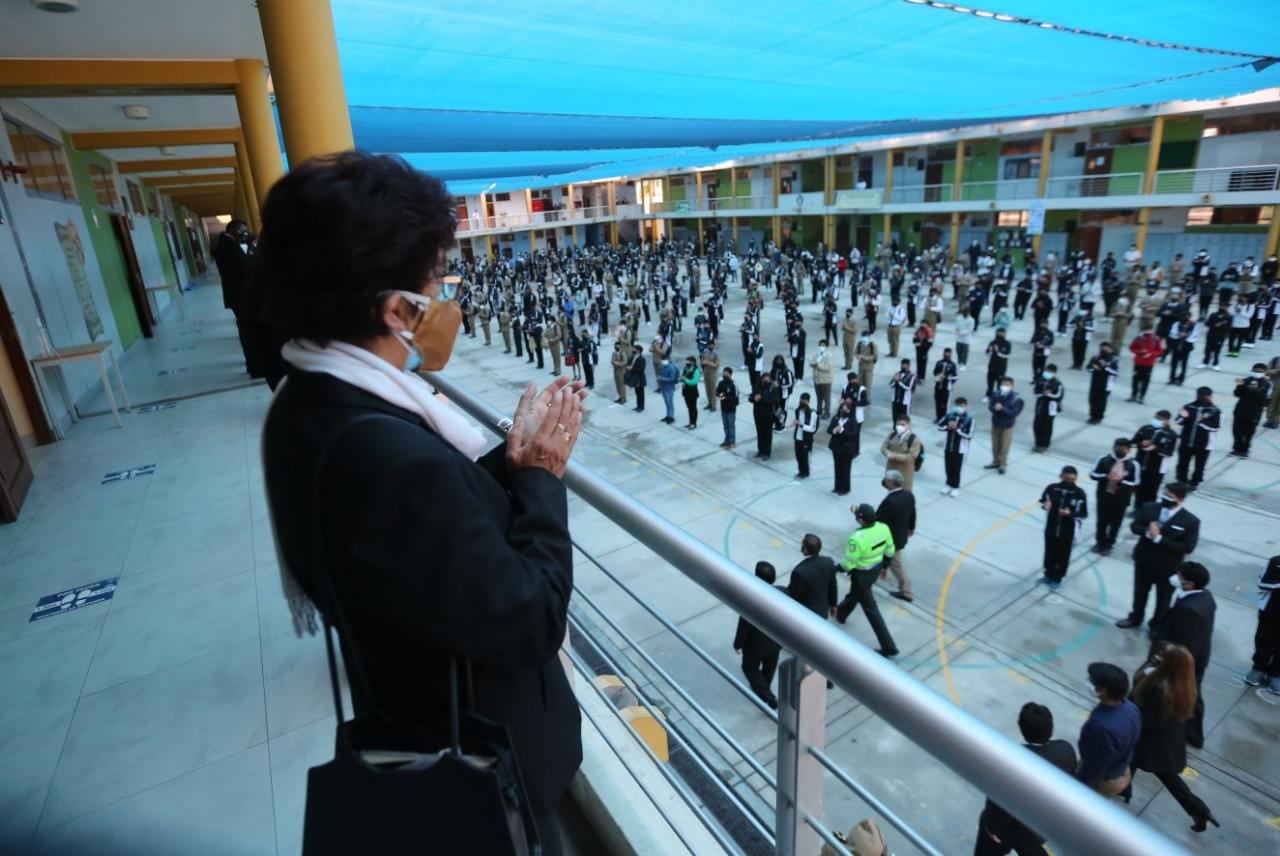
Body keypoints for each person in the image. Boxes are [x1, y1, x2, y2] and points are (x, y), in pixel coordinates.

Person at [258, 152, 582, 850]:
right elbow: (529, 617)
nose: (443, 296)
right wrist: (543, 478)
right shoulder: (383, 459)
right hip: (482, 756)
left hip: (402, 701)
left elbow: (429, 535)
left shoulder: (307, 403)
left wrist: (509, 462)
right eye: (434, 281)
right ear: (395, 308)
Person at [1123, 643, 1219, 832]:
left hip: (1152, 743)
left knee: (1164, 777)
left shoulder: (1159, 689)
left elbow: (1150, 720)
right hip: (1168, 741)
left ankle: (1198, 809)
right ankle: (1124, 789)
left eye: (1163, 657)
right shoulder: (1183, 683)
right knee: (1151, 770)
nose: (1158, 657)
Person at [973, 703, 1077, 856]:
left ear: (1022, 729)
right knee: (1030, 848)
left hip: (1012, 828)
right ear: (1051, 727)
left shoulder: (1013, 763)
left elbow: (1000, 804)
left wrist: (992, 828)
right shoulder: (1065, 750)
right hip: (1040, 827)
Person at [1117, 482, 1199, 635]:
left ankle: (1156, 625)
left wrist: (1159, 538)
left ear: (1180, 499)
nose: (1165, 498)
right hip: (1144, 560)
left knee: (1163, 598)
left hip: (1168, 566)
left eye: (1170, 496)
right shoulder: (1149, 507)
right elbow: (1135, 526)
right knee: (1140, 593)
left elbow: (1187, 547)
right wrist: (1148, 532)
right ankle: (1135, 617)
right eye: (1164, 494)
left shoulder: (1190, 521)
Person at [1158, 562, 1216, 748]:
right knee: (1193, 694)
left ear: (1190, 584)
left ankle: (1192, 735)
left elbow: (1182, 644)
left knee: (1188, 695)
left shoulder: (1188, 611)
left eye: (1180, 576)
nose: (1176, 577)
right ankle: (1192, 734)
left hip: (1187, 661)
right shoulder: (1205, 596)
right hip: (1199, 655)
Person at [834, 504, 899, 657]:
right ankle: (841, 613)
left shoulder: (857, 539)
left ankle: (889, 646)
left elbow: (849, 563)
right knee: (855, 594)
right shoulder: (883, 527)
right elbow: (890, 549)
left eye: (857, 515)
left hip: (862, 575)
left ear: (861, 520)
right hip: (875, 569)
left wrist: (836, 569)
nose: (855, 517)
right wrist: (885, 567)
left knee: (871, 609)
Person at [1076, 663, 1142, 797]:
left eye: (1093, 682)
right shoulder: (1131, 708)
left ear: (1103, 691)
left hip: (1103, 780)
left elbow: (1094, 767)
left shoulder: (1102, 728)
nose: (1089, 683)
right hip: (1121, 768)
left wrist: (1078, 786)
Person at [212, 218, 263, 378]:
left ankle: (254, 363)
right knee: (248, 331)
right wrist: (252, 252)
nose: (244, 234)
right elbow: (244, 267)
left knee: (247, 329)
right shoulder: (227, 246)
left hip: (239, 294)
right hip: (240, 295)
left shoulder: (227, 244)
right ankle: (255, 366)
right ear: (233, 229)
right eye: (242, 230)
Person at [734, 561, 784, 709]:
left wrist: (738, 644)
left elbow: (744, 625)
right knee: (770, 666)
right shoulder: (783, 593)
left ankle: (766, 694)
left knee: (749, 667)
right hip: (775, 642)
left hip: (755, 645)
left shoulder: (751, 600)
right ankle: (765, 687)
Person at [1039, 466, 1088, 589]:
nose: (1069, 481)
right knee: (1049, 551)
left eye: (1072, 479)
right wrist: (1045, 505)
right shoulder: (1052, 488)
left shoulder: (1079, 493)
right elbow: (1042, 501)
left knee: (1063, 554)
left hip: (1068, 529)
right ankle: (1048, 574)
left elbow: (1083, 514)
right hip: (1051, 526)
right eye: (1067, 478)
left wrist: (1070, 514)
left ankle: (1058, 577)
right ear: (1061, 476)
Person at [1088, 438, 1139, 555]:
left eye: (1122, 448)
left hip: (1121, 498)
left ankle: (1109, 544)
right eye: (1117, 447)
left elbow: (1135, 483)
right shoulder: (1103, 459)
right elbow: (1093, 474)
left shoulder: (1133, 464)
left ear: (1128, 449)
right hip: (1104, 495)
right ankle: (1099, 542)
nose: (1119, 450)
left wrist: (1121, 481)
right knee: (1102, 521)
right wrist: (1106, 477)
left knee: (1115, 523)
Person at [876, 470, 916, 603]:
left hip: (890, 540)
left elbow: (878, 520)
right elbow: (913, 513)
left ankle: (906, 591)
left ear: (892, 483)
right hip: (900, 535)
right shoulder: (908, 495)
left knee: (896, 564)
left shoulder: (890, 501)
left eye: (886, 480)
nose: (884, 482)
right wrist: (911, 527)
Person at [1245, 555, 1280, 692]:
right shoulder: (1275, 562)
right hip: (1271, 611)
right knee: (1264, 640)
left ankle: (1275, 674)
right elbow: (1262, 583)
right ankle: (1258, 667)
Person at [1174, 387, 1220, 488]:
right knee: (1182, 463)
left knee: (1199, 466)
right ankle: (1181, 480)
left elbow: (1215, 427)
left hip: (1204, 444)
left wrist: (1202, 421)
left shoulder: (1214, 410)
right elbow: (1178, 422)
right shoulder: (1189, 407)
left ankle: (1194, 483)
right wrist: (1183, 416)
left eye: (1206, 396)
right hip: (1186, 441)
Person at [787, 533, 839, 620]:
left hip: (806, 614)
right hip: (822, 611)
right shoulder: (829, 562)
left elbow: (793, 594)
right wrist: (833, 605)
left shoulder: (799, 571)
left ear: (805, 550)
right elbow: (833, 585)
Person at [1132, 410, 1177, 505]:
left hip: (1157, 468)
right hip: (1141, 463)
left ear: (1167, 421)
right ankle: (1137, 508)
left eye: (1160, 419)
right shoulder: (1146, 429)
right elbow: (1133, 442)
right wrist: (1141, 443)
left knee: (1151, 490)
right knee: (1139, 488)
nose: (1156, 420)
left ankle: (1149, 511)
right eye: (1156, 418)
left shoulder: (1170, 435)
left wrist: (1156, 448)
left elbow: (1168, 453)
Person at [1231, 362, 1273, 457]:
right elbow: (1237, 394)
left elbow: (1265, 401)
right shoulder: (1246, 380)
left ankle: (1244, 450)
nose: (1257, 372)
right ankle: (1235, 448)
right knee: (1237, 431)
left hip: (1254, 413)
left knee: (1248, 433)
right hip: (1240, 411)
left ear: (1264, 373)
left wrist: (1256, 390)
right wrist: (1240, 385)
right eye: (1255, 371)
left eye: (1260, 371)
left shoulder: (1267, 384)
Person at [984, 377, 1023, 475]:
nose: (1004, 386)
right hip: (996, 423)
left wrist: (1002, 409)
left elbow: (1014, 413)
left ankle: (1003, 464)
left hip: (1007, 426)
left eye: (1007, 385)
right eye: (1003, 384)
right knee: (995, 445)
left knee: (1004, 446)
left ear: (1012, 386)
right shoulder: (996, 394)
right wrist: (994, 408)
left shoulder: (1016, 398)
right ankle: (995, 461)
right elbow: (990, 406)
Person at [938, 397, 973, 497]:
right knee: (948, 466)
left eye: (961, 406)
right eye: (957, 406)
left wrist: (958, 429)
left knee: (957, 468)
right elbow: (939, 426)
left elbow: (969, 435)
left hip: (961, 449)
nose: (959, 408)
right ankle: (948, 484)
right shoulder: (950, 416)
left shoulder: (969, 419)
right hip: (949, 446)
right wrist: (947, 427)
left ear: (966, 407)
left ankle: (955, 486)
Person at [880, 416, 923, 493]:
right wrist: (887, 453)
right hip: (891, 470)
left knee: (904, 494)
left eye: (902, 425)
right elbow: (883, 447)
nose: (899, 427)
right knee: (891, 492)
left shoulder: (914, 440)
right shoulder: (892, 435)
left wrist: (895, 456)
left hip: (904, 473)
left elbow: (911, 457)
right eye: (898, 424)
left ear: (909, 425)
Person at [828, 398, 859, 496]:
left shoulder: (853, 421)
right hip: (836, 447)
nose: (843, 411)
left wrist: (842, 430)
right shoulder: (836, 418)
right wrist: (834, 430)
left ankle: (845, 488)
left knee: (845, 468)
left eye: (845, 409)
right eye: (842, 409)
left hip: (847, 448)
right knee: (837, 467)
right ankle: (837, 486)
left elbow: (853, 434)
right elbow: (829, 430)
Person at [1127, 326, 1164, 404]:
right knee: (1135, 380)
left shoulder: (1156, 339)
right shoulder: (1138, 338)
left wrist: (1151, 354)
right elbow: (1131, 348)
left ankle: (1141, 397)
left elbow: (1160, 351)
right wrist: (1139, 351)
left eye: (1149, 332)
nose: (1147, 334)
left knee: (1145, 381)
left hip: (1149, 364)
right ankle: (1133, 395)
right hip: (1138, 363)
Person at [1031, 364, 1063, 452]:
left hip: (1050, 409)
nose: (1047, 373)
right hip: (1040, 406)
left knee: (1047, 427)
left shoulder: (1058, 384)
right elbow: (1035, 392)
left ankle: (1044, 444)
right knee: (1037, 425)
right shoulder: (1041, 380)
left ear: (1054, 373)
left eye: (1050, 372)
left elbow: (1058, 395)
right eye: (1046, 371)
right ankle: (1037, 443)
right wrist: (1043, 393)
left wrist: (1048, 394)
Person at [1085, 342, 1119, 424]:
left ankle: (1099, 417)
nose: (1103, 351)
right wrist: (1094, 368)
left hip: (1106, 383)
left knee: (1101, 401)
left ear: (1110, 350)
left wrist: (1105, 367)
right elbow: (1088, 368)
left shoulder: (1113, 359)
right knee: (1092, 399)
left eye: (1105, 349)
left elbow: (1114, 372)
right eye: (1102, 349)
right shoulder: (1095, 357)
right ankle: (1092, 415)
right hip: (1095, 381)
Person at [752, 374, 780, 460]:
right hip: (758, 414)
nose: (765, 382)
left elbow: (773, 401)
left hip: (768, 415)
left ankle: (767, 452)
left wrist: (761, 399)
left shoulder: (773, 389)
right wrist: (754, 398)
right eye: (764, 380)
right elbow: (751, 397)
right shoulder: (758, 388)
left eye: (767, 380)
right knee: (759, 433)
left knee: (767, 434)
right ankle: (760, 451)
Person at [792, 393, 820, 478]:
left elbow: (812, 428)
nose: (802, 402)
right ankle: (800, 471)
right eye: (801, 400)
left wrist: (801, 425)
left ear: (808, 401)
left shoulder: (812, 414)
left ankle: (805, 472)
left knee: (805, 457)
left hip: (806, 439)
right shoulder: (797, 411)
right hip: (798, 437)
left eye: (804, 400)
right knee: (798, 456)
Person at [810, 339, 835, 418]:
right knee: (819, 396)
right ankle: (819, 410)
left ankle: (827, 412)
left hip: (825, 380)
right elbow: (811, 362)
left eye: (823, 346)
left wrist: (819, 366)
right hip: (817, 379)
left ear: (826, 347)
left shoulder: (829, 356)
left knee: (826, 397)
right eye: (820, 345)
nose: (821, 347)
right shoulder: (816, 355)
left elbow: (829, 367)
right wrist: (813, 364)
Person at [984, 328, 1011, 399]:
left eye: (1001, 333)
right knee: (990, 382)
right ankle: (988, 395)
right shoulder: (992, 342)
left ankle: (998, 397)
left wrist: (998, 351)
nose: (999, 335)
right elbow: (987, 353)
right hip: (992, 365)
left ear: (1005, 334)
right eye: (998, 333)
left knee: (1000, 383)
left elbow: (1007, 355)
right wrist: (990, 351)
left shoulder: (1007, 343)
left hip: (1001, 367)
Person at [932, 347, 958, 421]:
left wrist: (947, 377)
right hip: (937, 386)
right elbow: (934, 372)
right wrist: (938, 375)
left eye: (948, 353)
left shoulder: (953, 365)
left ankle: (945, 419)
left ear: (950, 354)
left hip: (947, 388)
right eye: (945, 353)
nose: (946, 354)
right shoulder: (939, 362)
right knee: (938, 403)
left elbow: (956, 376)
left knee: (946, 404)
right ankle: (938, 417)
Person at [717, 367, 739, 449]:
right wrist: (719, 395)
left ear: (730, 374)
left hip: (731, 409)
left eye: (726, 373)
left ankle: (732, 441)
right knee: (725, 425)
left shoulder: (734, 385)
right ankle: (727, 440)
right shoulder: (721, 383)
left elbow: (736, 398)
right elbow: (717, 391)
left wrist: (726, 397)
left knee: (731, 425)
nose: (724, 375)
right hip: (723, 408)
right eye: (724, 373)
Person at [657, 356, 679, 425]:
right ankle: (667, 415)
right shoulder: (663, 366)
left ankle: (671, 416)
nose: (663, 361)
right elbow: (660, 373)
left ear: (669, 359)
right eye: (662, 359)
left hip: (669, 388)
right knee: (666, 402)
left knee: (670, 402)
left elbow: (672, 379)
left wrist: (661, 378)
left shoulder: (671, 367)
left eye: (664, 359)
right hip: (663, 387)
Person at [626, 344, 647, 412]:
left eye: (634, 349)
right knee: (637, 392)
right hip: (634, 377)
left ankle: (641, 406)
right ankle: (638, 405)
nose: (633, 350)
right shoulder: (633, 357)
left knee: (641, 392)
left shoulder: (642, 359)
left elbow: (641, 369)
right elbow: (629, 363)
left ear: (638, 351)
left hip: (639, 378)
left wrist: (632, 368)